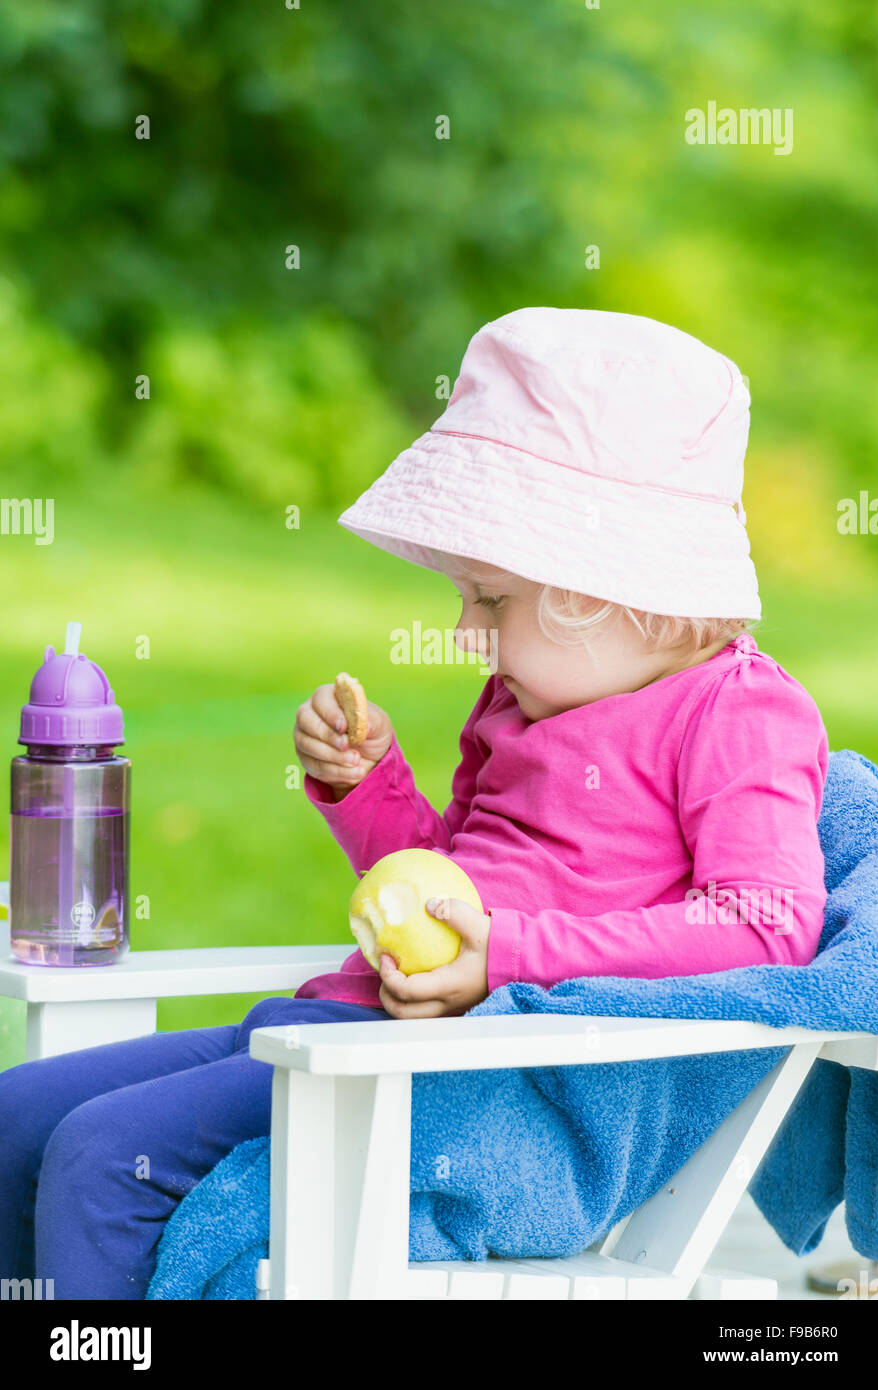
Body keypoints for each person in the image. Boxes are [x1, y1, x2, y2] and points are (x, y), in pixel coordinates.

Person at [0, 307, 829, 1299]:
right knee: (17, 1119)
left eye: (490, 599)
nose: (465, 631)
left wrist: (511, 955)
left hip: (460, 1084)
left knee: (103, 1162)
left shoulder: (739, 714)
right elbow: (446, 880)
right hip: (343, 1026)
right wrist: (367, 786)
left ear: (615, 586)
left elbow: (766, 926)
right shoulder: (526, 699)